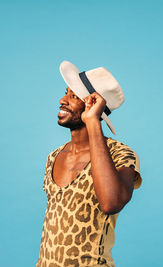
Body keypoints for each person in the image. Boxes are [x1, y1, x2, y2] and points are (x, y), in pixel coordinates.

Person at [36, 61, 142, 267]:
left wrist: (93, 121)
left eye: (74, 96)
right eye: (66, 93)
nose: (62, 100)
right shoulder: (54, 156)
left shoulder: (121, 154)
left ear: (95, 105)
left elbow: (111, 203)